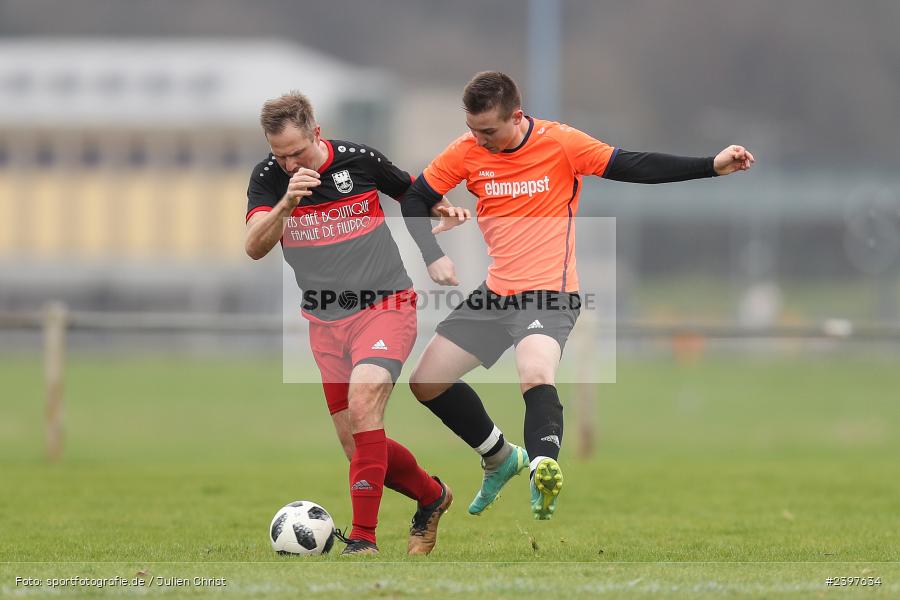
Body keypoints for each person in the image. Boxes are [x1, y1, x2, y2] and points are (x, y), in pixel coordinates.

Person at [401, 71, 755, 520]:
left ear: (517, 115)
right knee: (425, 381)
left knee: (534, 371)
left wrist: (710, 165)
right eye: (472, 129)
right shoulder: (467, 151)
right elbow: (415, 197)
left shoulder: (561, 143)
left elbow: (633, 165)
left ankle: (543, 466)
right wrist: (432, 255)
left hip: (550, 293)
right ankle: (500, 457)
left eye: (488, 130)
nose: (479, 139)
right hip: (496, 293)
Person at [245, 91, 470, 554]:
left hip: (385, 303)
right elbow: (253, 245)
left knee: (365, 402)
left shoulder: (359, 161)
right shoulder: (270, 179)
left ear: (317, 134)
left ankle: (363, 541)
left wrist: (439, 208)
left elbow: (413, 191)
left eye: (298, 152)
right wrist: (286, 203)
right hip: (325, 318)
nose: (289, 163)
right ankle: (432, 496)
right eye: (279, 155)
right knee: (357, 446)